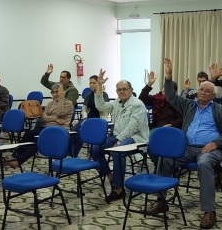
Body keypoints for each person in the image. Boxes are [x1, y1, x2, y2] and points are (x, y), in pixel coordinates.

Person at [146, 58, 222, 229]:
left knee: (204, 164)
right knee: (164, 160)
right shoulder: (189, 106)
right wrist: (169, 76)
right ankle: (161, 201)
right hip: (186, 149)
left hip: (208, 150)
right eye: (201, 89)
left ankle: (209, 211)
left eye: (207, 91)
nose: (202, 92)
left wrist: (216, 143)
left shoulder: (220, 110)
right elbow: (170, 96)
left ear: (213, 96)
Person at [91, 70, 149, 203]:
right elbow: (101, 106)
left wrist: (118, 140)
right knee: (95, 148)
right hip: (118, 136)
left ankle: (118, 188)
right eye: (119, 90)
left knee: (118, 151)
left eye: (124, 89)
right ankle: (110, 177)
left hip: (136, 138)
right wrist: (99, 86)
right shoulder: (117, 102)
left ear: (131, 90)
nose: (121, 92)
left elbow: (133, 127)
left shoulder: (137, 104)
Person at [7, 83, 73, 168]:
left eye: (57, 92)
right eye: (53, 92)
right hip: (46, 127)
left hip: (59, 130)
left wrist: (61, 99)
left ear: (62, 92)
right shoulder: (50, 104)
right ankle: (14, 156)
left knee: (38, 141)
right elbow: (43, 118)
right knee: (28, 134)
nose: (55, 94)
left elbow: (60, 113)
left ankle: (19, 161)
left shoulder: (68, 103)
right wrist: (56, 119)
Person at [138, 70, 183, 167]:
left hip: (170, 128)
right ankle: (158, 164)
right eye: (164, 88)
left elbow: (181, 119)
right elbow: (141, 99)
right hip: (156, 127)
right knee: (148, 141)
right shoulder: (156, 98)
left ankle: (162, 166)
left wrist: (171, 124)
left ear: (174, 92)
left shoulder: (177, 102)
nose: (165, 90)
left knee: (153, 139)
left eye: (168, 89)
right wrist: (149, 84)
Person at [69, 75, 109, 158]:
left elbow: (105, 111)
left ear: (98, 84)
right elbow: (84, 109)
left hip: (99, 120)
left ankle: (74, 154)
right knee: (73, 131)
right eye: (90, 83)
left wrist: (103, 123)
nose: (92, 85)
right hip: (88, 119)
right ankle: (69, 151)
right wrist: (84, 118)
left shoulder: (104, 95)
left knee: (81, 132)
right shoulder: (88, 95)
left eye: (94, 83)